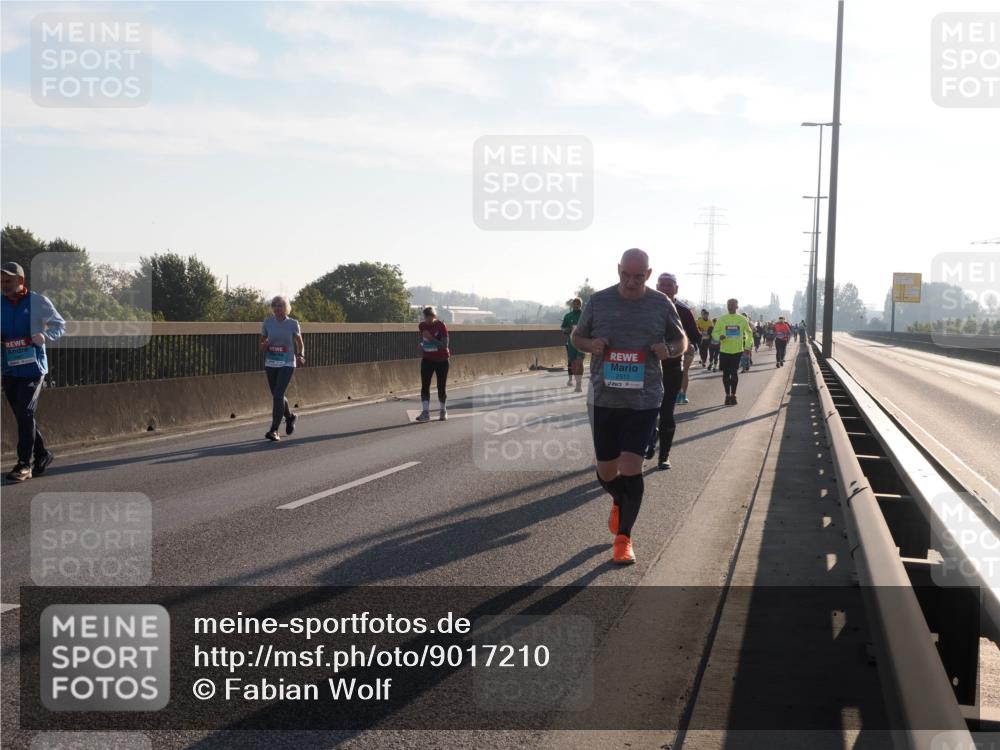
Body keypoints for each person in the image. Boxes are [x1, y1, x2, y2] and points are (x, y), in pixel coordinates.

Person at [572, 249, 686, 565]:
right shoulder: (598, 301)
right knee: (607, 470)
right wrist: (590, 345)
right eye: (626, 275)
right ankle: (619, 498)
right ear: (618, 269)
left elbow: (682, 341)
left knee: (631, 466)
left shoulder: (661, 304)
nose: (631, 282)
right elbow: (577, 336)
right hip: (603, 398)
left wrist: (669, 350)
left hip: (644, 399)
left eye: (638, 277)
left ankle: (624, 539)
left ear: (648, 274)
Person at [1, 261, 65, 481]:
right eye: (1, 281)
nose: (4, 285)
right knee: (22, 416)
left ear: (20, 281)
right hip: (9, 369)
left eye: (8, 280)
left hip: (33, 369)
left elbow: (59, 325)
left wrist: (45, 337)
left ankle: (23, 464)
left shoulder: (37, 301)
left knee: (25, 413)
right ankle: (43, 454)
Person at [259, 296, 304, 441]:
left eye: (280, 306)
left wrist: (300, 354)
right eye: (275, 306)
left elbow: (299, 342)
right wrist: (264, 345)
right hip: (271, 362)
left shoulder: (292, 323)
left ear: (286, 308)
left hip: (287, 363)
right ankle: (290, 417)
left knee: (278, 394)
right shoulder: (268, 322)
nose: (277, 308)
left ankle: (274, 430)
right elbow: (262, 342)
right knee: (277, 396)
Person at [711, 298, 753, 406]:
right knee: (725, 374)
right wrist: (719, 337)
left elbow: (749, 334)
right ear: (727, 306)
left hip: (737, 351)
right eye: (729, 304)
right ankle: (727, 395)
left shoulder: (742, 319)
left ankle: (733, 395)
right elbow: (714, 333)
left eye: (733, 305)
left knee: (734, 373)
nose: (730, 306)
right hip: (724, 350)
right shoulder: (721, 319)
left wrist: (747, 347)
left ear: (737, 306)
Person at [417, 306, 450, 422]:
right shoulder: (422, 326)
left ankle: (443, 410)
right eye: (426, 318)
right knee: (425, 386)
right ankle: (425, 412)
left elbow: (444, 345)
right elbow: (421, 339)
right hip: (427, 359)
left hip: (442, 360)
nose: (428, 321)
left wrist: (430, 338)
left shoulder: (441, 326)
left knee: (441, 387)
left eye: (431, 318)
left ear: (434, 316)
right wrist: (421, 344)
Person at [561, 297, 585, 392]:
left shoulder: (585, 315)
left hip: (582, 342)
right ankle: (577, 380)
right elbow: (562, 328)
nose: (576, 305)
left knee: (580, 362)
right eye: (574, 303)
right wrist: (567, 330)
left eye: (578, 303)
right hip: (571, 343)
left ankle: (579, 384)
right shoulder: (568, 316)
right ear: (572, 305)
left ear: (581, 305)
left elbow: (591, 326)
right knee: (574, 364)